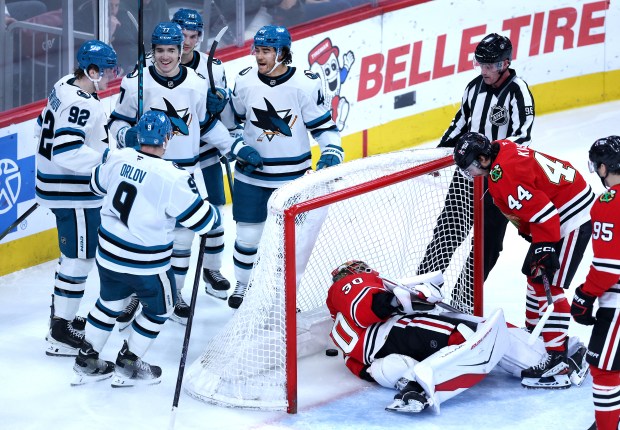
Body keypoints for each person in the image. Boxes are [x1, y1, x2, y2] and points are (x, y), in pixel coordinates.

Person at [72, 111, 222, 386]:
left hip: (108, 256)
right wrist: (214, 213)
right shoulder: (173, 176)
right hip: (146, 264)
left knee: (108, 303)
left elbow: (95, 185)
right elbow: (202, 221)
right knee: (160, 309)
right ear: (167, 138)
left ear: (138, 135)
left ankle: (87, 359)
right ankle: (128, 365)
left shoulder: (118, 157)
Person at [326, 260, 588, 413]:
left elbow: (361, 367)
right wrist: (396, 300)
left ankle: (413, 388)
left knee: (395, 368)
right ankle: (547, 366)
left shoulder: (338, 323)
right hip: (391, 333)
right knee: (473, 331)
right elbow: (371, 305)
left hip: (377, 359)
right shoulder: (346, 285)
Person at [108, 22, 238, 326]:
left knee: (182, 241)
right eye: (159, 50)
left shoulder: (195, 83)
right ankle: (132, 298)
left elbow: (204, 124)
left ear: (182, 51)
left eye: (171, 50)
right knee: (140, 240)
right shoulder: (136, 82)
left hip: (184, 174)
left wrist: (234, 146)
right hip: (146, 173)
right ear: (152, 52)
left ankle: (175, 294)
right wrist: (130, 136)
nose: (165, 56)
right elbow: (116, 124)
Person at [453, 132, 594, 389]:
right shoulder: (502, 148)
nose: (471, 173)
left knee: (547, 284)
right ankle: (536, 335)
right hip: (561, 208)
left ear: (484, 158)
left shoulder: (503, 177)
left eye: (472, 166)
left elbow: (544, 213)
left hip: (571, 217)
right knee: (534, 276)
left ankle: (557, 358)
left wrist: (544, 247)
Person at [417, 33, 535, 311]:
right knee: (448, 231)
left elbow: (524, 137)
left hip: (499, 181)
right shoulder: (474, 88)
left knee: (489, 245)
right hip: (467, 174)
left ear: (505, 64)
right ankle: (421, 288)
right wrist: (437, 154)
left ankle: (463, 299)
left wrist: (489, 155)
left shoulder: (519, 91)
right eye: (480, 64)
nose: (484, 71)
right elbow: (460, 123)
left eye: (490, 66)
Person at [228, 25, 343, 309]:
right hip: (251, 178)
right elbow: (230, 126)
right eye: (256, 50)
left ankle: (282, 297)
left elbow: (325, 128)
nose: (258, 56)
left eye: (265, 51)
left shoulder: (305, 83)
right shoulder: (244, 82)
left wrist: (332, 149)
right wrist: (238, 148)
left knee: (287, 244)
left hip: (292, 181)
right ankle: (244, 286)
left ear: (282, 53)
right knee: (247, 238)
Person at [35, 40, 119, 357]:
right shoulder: (82, 103)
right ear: (91, 71)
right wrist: (110, 159)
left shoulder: (64, 84)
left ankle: (62, 318)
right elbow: (67, 150)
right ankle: (60, 331)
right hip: (73, 191)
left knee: (72, 255)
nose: (113, 76)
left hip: (56, 186)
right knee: (79, 259)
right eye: (108, 70)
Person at [172, 8, 234, 301]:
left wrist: (219, 104)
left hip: (206, 151)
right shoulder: (150, 66)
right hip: (170, 157)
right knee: (173, 223)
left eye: (193, 36)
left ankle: (212, 269)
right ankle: (166, 283)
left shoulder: (214, 67)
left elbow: (223, 108)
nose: (188, 42)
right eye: (183, 35)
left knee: (216, 212)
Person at [571, 136, 620, 430]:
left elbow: (608, 267)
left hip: (617, 305)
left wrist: (584, 296)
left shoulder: (607, 203)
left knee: (603, 368)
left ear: (604, 168)